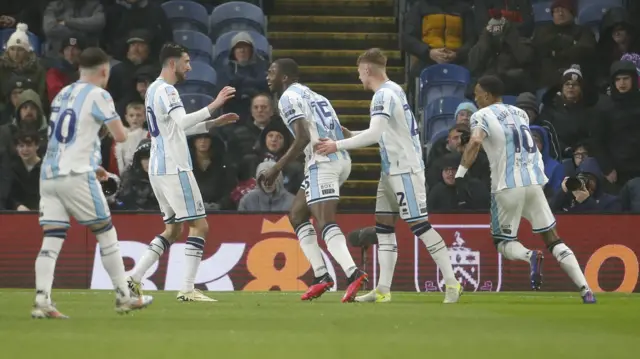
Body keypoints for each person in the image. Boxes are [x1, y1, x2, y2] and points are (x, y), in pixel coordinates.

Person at [315, 48, 462, 304]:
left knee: (420, 225)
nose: (359, 77)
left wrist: (336, 146)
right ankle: (382, 289)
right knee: (384, 228)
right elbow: (385, 132)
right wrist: (352, 135)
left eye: (359, 72)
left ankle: (452, 282)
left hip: (404, 169)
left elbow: (374, 135)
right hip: (390, 169)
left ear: (367, 70)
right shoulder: (394, 89)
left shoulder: (382, 96)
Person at [34, 47, 153, 319]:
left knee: (51, 239)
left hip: (50, 174)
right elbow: (121, 136)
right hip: (76, 174)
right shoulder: (99, 95)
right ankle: (124, 296)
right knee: (106, 232)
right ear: (104, 71)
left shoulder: (62, 94)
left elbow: (65, 139)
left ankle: (42, 300)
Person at [455, 75, 595, 303]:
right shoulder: (519, 113)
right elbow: (508, 136)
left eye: (478, 93)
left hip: (507, 185)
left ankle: (530, 256)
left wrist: (461, 175)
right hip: (533, 181)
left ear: (487, 95)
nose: (476, 97)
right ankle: (586, 289)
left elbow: (477, 141)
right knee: (553, 239)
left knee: (502, 242)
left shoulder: (480, 115)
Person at [125, 43, 239, 302]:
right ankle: (187, 288)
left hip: (158, 168)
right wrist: (214, 105)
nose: (190, 67)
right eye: (186, 62)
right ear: (173, 64)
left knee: (173, 230)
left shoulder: (153, 89)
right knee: (200, 226)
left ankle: (134, 277)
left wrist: (212, 123)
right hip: (175, 168)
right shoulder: (168, 91)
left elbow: (174, 130)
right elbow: (182, 122)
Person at [261, 58, 368, 303]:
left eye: (272, 72)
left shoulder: (288, 97)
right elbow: (338, 129)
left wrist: (277, 168)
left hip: (323, 161)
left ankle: (353, 273)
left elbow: (301, 138)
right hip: (338, 159)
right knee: (297, 214)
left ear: (285, 77)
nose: (268, 75)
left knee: (324, 221)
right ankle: (321, 276)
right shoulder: (317, 96)